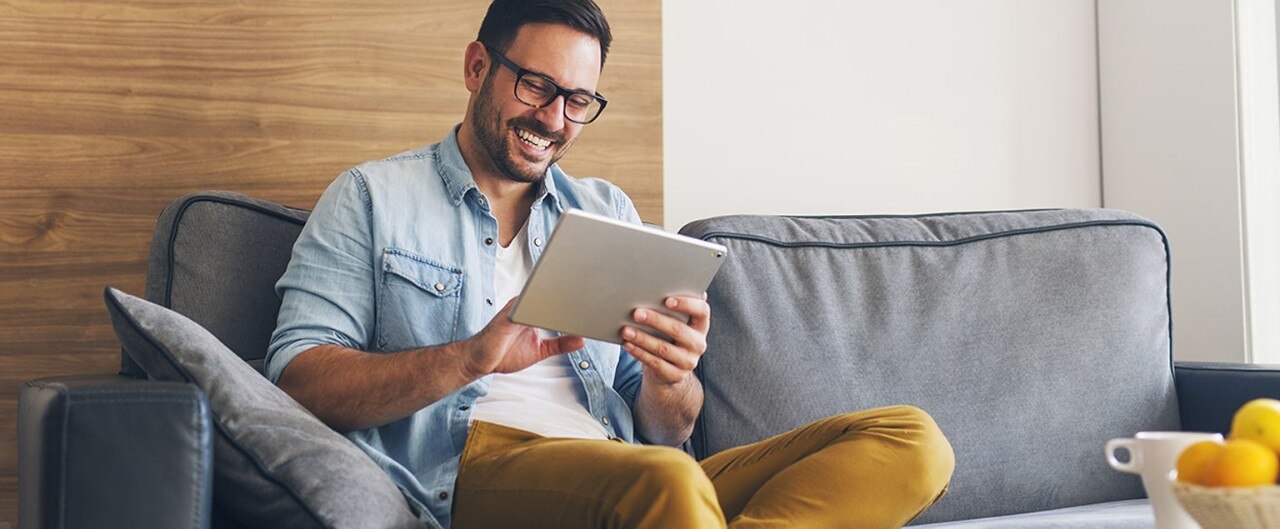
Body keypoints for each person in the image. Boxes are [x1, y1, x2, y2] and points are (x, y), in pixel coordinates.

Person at [266, 0, 954, 527]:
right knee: (668, 484)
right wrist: (471, 358)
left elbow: (669, 428)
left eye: (578, 101)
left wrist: (669, 376)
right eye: (536, 86)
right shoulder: (372, 197)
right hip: (472, 468)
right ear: (478, 67)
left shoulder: (603, 211)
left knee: (912, 440)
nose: (555, 119)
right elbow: (296, 382)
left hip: (631, 466)